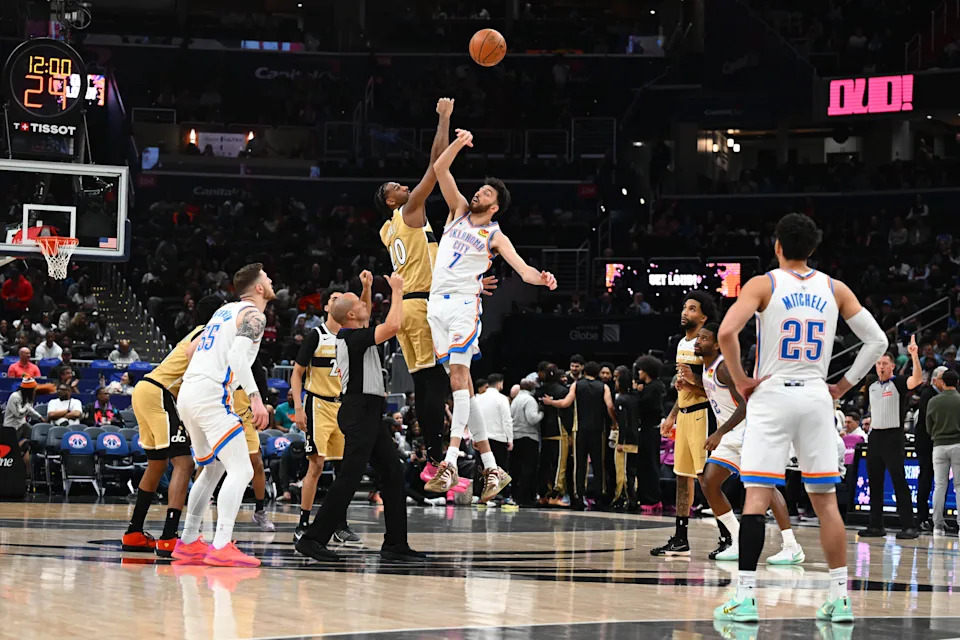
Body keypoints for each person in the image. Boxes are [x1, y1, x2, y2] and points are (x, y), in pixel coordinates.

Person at [713, 212, 888, 624]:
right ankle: (840, 599)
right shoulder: (835, 287)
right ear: (813, 248)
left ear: (777, 246)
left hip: (773, 394)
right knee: (826, 503)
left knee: (755, 499)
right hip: (814, 395)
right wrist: (842, 387)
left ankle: (746, 599)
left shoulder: (764, 284)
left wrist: (741, 380)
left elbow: (725, 334)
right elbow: (877, 340)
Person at [423, 128, 557, 501]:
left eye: (487, 194)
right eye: (480, 190)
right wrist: (458, 143)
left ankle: (449, 462)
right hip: (437, 305)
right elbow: (439, 168)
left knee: (459, 380)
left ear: (495, 206)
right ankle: (492, 469)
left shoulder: (495, 236)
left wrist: (541, 278)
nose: (479, 193)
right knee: (462, 388)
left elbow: (524, 269)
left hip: (466, 303)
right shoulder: (457, 212)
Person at [377, 98, 494, 483]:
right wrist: (443, 119)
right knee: (437, 385)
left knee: (428, 383)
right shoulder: (408, 212)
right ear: (392, 201)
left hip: (407, 309)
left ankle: (436, 457)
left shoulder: (387, 230)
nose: (399, 183)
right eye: (393, 187)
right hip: (424, 305)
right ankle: (438, 458)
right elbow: (435, 165)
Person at [296, 273, 425, 562]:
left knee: (392, 474)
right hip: (358, 410)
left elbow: (369, 316)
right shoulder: (351, 337)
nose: (366, 305)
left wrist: (366, 288)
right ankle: (313, 538)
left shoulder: (355, 333)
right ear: (352, 314)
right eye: (359, 303)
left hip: (368, 411)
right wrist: (398, 291)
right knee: (350, 477)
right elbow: (393, 325)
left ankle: (395, 543)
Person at [173, 263, 272, 568]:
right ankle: (221, 545)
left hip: (189, 392)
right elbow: (236, 357)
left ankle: (188, 542)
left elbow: (192, 351)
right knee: (241, 470)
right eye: (267, 278)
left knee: (212, 470)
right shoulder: (254, 315)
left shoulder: (223, 312)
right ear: (258, 287)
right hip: (212, 394)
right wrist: (255, 398)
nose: (271, 282)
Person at [695, 323, 804, 564]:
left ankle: (791, 545)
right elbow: (720, 398)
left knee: (765, 486)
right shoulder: (707, 368)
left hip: (747, 431)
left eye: (703, 338)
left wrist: (719, 432)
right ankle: (737, 538)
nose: (697, 341)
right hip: (730, 433)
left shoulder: (723, 368)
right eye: (698, 337)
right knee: (709, 483)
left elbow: (745, 405)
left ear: (716, 345)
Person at [123, 296, 221, 557]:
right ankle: (168, 537)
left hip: (146, 389)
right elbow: (192, 356)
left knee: (156, 464)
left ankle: (134, 532)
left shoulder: (198, 330)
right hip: (159, 392)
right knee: (184, 464)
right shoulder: (208, 332)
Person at [290, 283, 360, 546]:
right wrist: (298, 407)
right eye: (334, 298)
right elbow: (297, 373)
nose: (339, 300)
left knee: (344, 470)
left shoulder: (350, 336)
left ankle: (339, 525)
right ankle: (303, 523)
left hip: (342, 407)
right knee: (317, 465)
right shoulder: (316, 335)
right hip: (318, 404)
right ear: (327, 306)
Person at [652, 291, 718, 557]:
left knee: (705, 479)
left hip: (704, 415)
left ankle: (727, 535)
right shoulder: (681, 343)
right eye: (684, 307)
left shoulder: (710, 345)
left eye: (692, 309)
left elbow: (717, 388)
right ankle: (680, 539)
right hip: (686, 414)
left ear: (703, 316)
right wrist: (671, 416)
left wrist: (692, 381)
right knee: (682, 478)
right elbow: (684, 388)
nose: (685, 312)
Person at [858, 341, 922, 539]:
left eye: (885, 363)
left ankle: (909, 526)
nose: (881, 367)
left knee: (899, 481)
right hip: (875, 436)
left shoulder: (899, 382)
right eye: (878, 363)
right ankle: (876, 525)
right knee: (874, 483)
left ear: (892, 366)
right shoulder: (872, 385)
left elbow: (917, 380)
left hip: (893, 436)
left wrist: (914, 356)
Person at [544, 361, 617, 510]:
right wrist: (614, 422)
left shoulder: (576, 385)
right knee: (599, 464)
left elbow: (565, 403)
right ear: (597, 373)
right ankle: (600, 496)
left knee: (579, 464)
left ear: (584, 372)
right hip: (598, 430)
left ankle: (578, 496)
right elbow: (610, 406)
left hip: (579, 430)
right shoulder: (603, 387)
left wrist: (551, 402)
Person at [232, 353, 277, 533]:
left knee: (256, 463)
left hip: (244, 414)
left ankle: (259, 511)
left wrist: (262, 403)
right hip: (221, 413)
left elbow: (260, 379)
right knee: (209, 465)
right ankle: (201, 510)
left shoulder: (249, 353)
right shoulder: (219, 350)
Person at [925, 370, 960, 536]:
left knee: (940, 486)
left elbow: (928, 427)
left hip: (938, 446)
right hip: (958, 445)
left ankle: (937, 526)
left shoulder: (933, 401)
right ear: (957, 383)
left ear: (942, 383)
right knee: (959, 487)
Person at [916, 365, 948, 532]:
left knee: (939, 482)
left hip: (937, 442)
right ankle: (921, 518)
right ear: (935, 380)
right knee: (926, 479)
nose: (945, 382)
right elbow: (928, 420)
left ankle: (938, 518)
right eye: (943, 378)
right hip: (926, 442)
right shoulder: (928, 394)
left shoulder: (941, 396)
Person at [536, 363, 573, 505]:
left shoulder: (538, 391)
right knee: (559, 465)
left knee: (544, 465)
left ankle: (543, 495)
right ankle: (555, 496)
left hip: (543, 431)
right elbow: (567, 414)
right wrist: (570, 433)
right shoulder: (562, 391)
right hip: (559, 431)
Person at [474, 374, 514, 501]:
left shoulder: (478, 398)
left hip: (481, 438)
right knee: (500, 467)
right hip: (498, 437)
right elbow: (507, 420)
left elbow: (472, 418)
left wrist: (473, 436)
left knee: (481, 467)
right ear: (499, 384)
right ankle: (499, 495)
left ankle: (478, 495)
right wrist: (510, 438)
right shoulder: (502, 399)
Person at [633, 356, 666, 510]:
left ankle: (653, 499)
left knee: (650, 464)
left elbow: (649, 407)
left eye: (640, 369)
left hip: (651, 430)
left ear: (646, 371)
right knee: (644, 465)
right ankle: (645, 497)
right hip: (645, 430)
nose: (638, 372)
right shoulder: (648, 387)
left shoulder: (655, 387)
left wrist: (638, 394)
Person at [612, 366, 641, 510]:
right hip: (636, 438)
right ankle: (633, 498)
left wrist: (620, 442)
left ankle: (623, 498)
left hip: (625, 440)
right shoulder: (635, 398)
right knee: (632, 471)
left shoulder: (621, 400)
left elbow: (623, 422)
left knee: (622, 472)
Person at [510, 379, 542, 507]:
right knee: (528, 468)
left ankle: (516, 496)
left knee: (517, 468)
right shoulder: (530, 400)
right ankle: (526, 498)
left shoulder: (515, 400)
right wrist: (542, 413)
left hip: (516, 437)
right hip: (529, 437)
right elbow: (532, 419)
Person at [3, 377, 42, 468]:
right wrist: (27, 406)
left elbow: (30, 410)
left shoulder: (27, 397)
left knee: (33, 435)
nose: (35, 391)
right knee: (11, 449)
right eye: (33, 389)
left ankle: (27, 454)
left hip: (22, 424)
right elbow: (18, 414)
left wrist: (39, 417)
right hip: (11, 427)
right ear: (28, 389)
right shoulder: (15, 397)